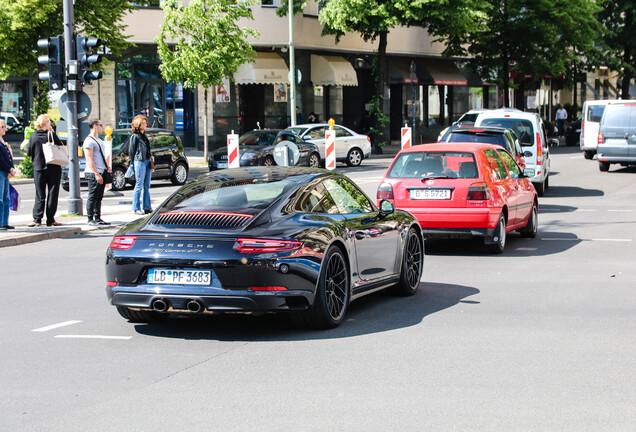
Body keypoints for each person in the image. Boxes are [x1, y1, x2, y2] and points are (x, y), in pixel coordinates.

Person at [26, 114, 65, 227]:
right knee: (53, 194)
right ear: (46, 124)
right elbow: (61, 148)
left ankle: (37, 219)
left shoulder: (33, 136)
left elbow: (29, 152)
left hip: (39, 168)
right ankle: (50, 219)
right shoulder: (51, 134)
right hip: (53, 167)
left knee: (39, 194)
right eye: (49, 122)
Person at [83, 119, 111, 226]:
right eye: (101, 125)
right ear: (95, 126)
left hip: (101, 171)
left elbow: (100, 157)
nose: (102, 128)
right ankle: (90, 218)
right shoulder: (89, 140)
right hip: (93, 173)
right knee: (93, 195)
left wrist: (106, 167)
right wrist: (96, 174)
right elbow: (89, 159)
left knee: (99, 196)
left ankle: (98, 217)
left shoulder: (98, 140)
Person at [128, 114, 153, 215]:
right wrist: (132, 162)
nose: (146, 124)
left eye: (145, 122)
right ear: (138, 125)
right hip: (139, 161)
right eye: (143, 123)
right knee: (139, 185)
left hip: (147, 161)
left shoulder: (144, 136)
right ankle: (136, 207)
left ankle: (147, 207)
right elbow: (131, 151)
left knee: (147, 185)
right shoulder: (135, 136)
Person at [0, 119, 17, 230]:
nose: (4, 128)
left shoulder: (2, 141)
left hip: (5, 172)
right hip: (1, 171)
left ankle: (4, 222)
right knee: (0, 198)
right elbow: (0, 159)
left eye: (5, 126)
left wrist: (12, 168)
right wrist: (9, 168)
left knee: (6, 198)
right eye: (2, 126)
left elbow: (8, 157)